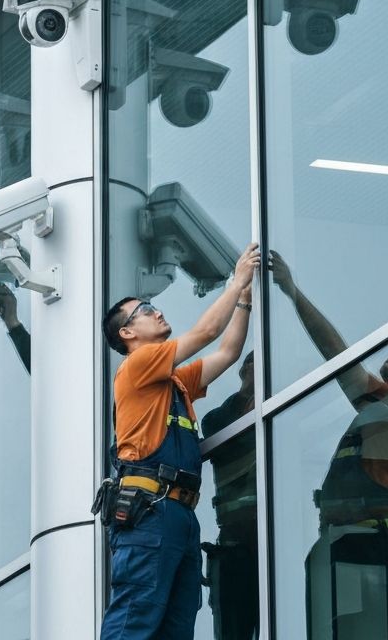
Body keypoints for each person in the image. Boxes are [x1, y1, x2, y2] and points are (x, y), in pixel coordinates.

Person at [269, 251, 388, 640]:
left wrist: (294, 293)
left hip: (370, 552)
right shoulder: (381, 412)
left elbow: (339, 358)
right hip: (348, 549)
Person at [99, 241, 262, 640]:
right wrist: (237, 280)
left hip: (178, 516)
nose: (157, 311)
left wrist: (243, 302)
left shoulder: (172, 382)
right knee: (136, 617)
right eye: (145, 311)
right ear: (128, 332)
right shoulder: (137, 364)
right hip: (151, 515)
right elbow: (208, 332)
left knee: (176, 624)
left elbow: (227, 352)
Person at [199, 351, 259, 640]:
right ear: (242, 371)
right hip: (235, 541)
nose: (254, 367)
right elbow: (221, 434)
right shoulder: (221, 418)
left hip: (266, 537)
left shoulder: (277, 412)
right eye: (250, 362)